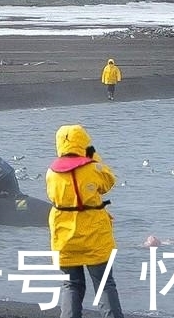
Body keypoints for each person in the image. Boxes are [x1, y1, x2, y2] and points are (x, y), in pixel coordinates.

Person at [47, 124, 124, 318]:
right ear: (84, 142)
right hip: (94, 235)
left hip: (64, 236)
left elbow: (52, 197)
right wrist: (92, 155)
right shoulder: (93, 168)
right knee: (104, 283)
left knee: (71, 284)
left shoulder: (51, 173)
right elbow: (109, 182)